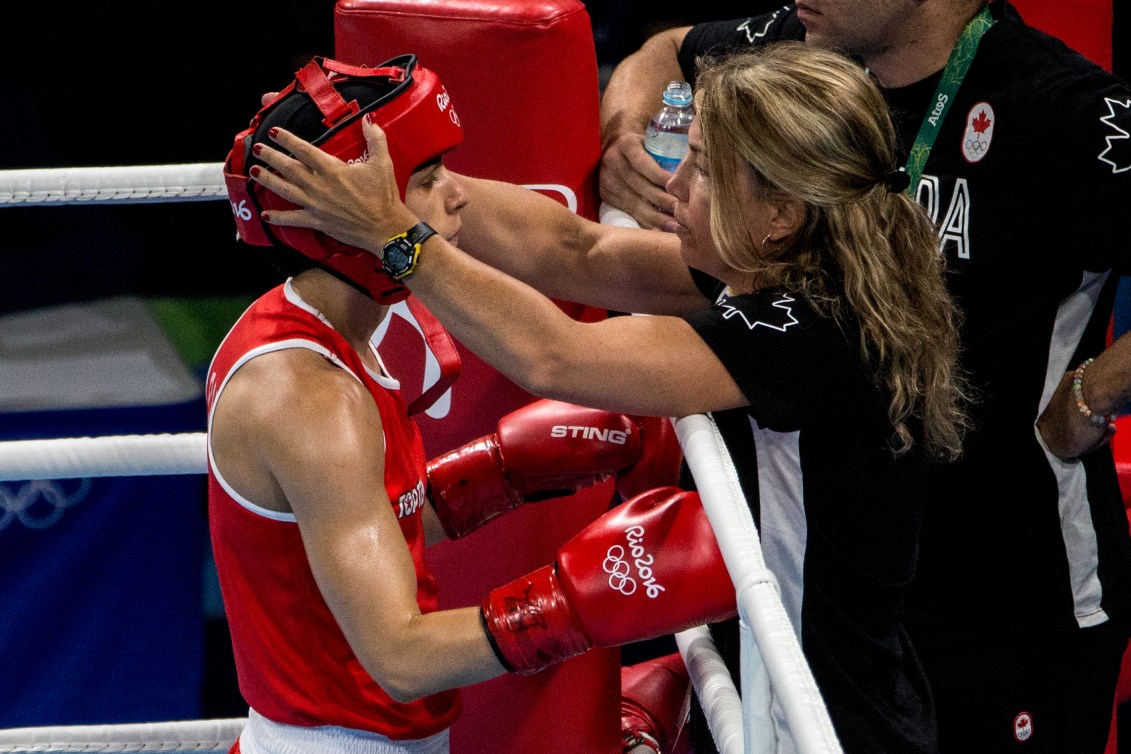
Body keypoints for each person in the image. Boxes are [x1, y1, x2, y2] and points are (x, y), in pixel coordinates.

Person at [248, 41, 969, 752]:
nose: (674, 185)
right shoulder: (779, 263)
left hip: (822, 711)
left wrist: (394, 234)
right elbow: (574, 251)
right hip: (786, 678)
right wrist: (410, 180)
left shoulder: (808, 330)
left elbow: (553, 355)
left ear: (779, 213)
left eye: (705, 170)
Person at [598, 2, 1131, 752]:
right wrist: (622, 130)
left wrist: (1092, 392)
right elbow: (665, 52)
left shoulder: (1064, 109)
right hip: (829, 589)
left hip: (1002, 602)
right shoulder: (804, 41)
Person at [210, 54, 735, 754]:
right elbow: (400, 658)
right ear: (348, 222)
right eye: (428, 180)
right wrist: (574, 603)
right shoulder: (309, 396)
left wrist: (498, 474)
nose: (458, 198)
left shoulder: (314, 327)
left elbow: (349, 516)